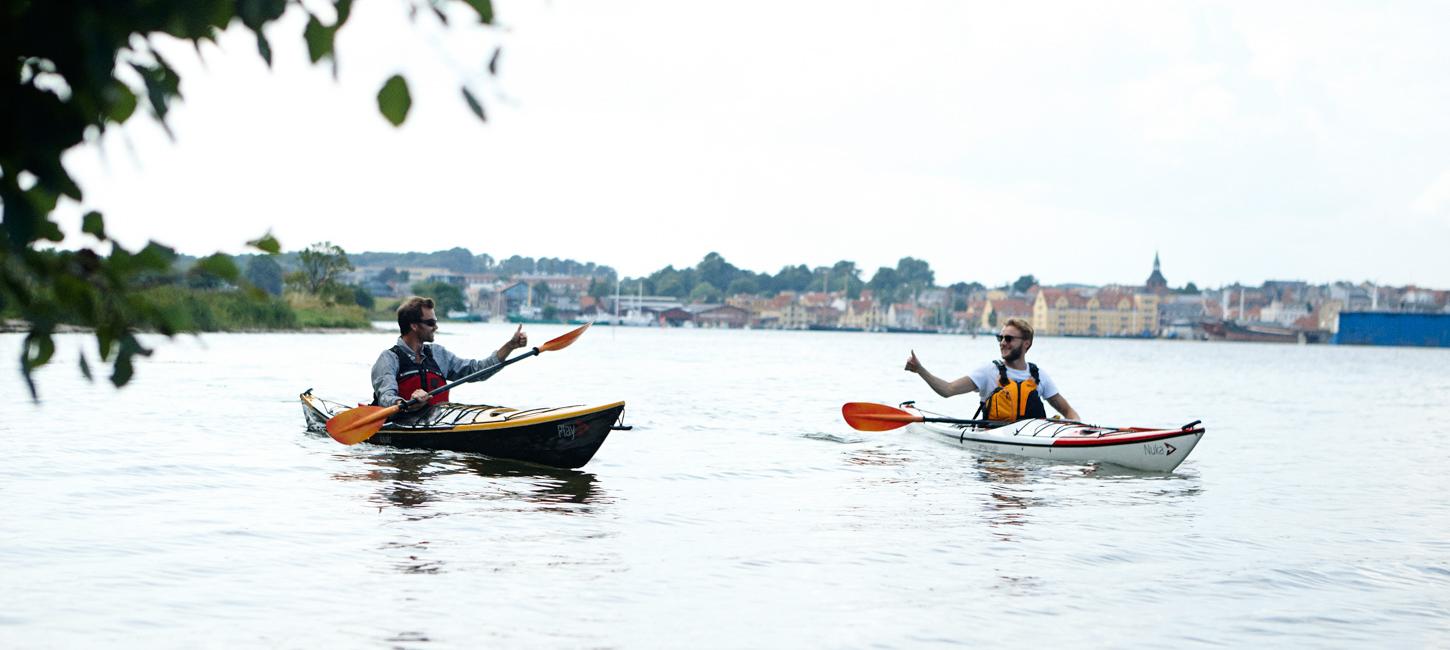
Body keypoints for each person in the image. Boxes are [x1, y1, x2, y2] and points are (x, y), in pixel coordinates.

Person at [904, 317, 1081, 423]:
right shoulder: (988, 372)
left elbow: (1068, 412)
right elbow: (948, 390)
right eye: (1000, 337)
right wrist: (920, 370)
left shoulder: (1039, 375)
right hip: (994, 447)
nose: (1003, 342)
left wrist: (1078, 431)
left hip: (1033, 443)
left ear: (1026, 343)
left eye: (1009, 338)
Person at [371, 296, 529, 410]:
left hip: (437, 422)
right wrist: (406, 404)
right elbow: (386, 397)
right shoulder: (389, 358)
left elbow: (477, 371)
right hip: (401, 422)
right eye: (430, 323)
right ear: (414, 326)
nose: (436, 327)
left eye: (436, 322)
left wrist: (510, 346)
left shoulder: (438, 354)